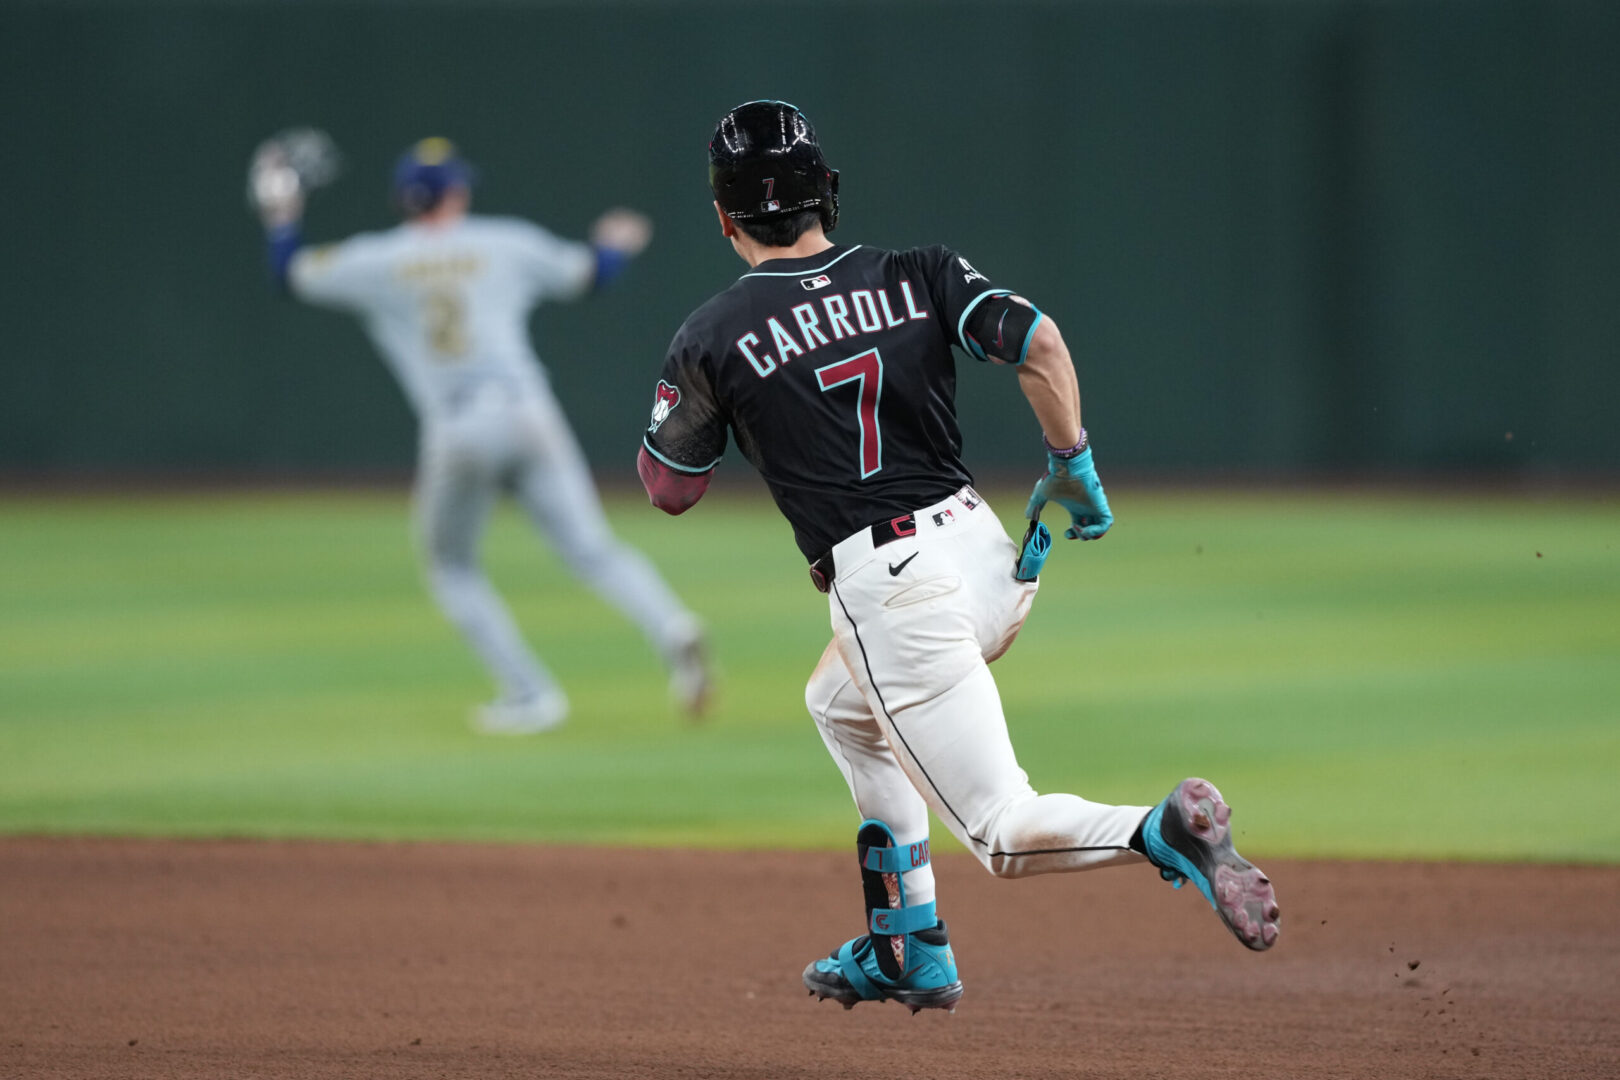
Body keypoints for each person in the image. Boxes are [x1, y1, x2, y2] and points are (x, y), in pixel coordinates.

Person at [637, 101, 1279, 1012]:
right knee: (838, 703)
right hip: (987, 557)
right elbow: (1040, 342)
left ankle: (1162, 830)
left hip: (893, 590)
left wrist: (695, 398)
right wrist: (1072, 462)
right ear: (828, 192)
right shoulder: (919, 273)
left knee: (1002, 832)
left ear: (722, 216)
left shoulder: (714, 333)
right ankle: (908, 946)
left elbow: (672, 489)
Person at [249, 134, 710, 734]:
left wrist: (279, 210)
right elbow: (593, 274)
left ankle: (529, 694)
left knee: (451, 567)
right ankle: (671, 625)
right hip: (528, 411)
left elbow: (287, 272)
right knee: (592, 548)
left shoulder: (377, 260)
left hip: (459, 426)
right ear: (457, 192)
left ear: (404, 200)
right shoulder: (504, 242)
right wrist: (615, 241)